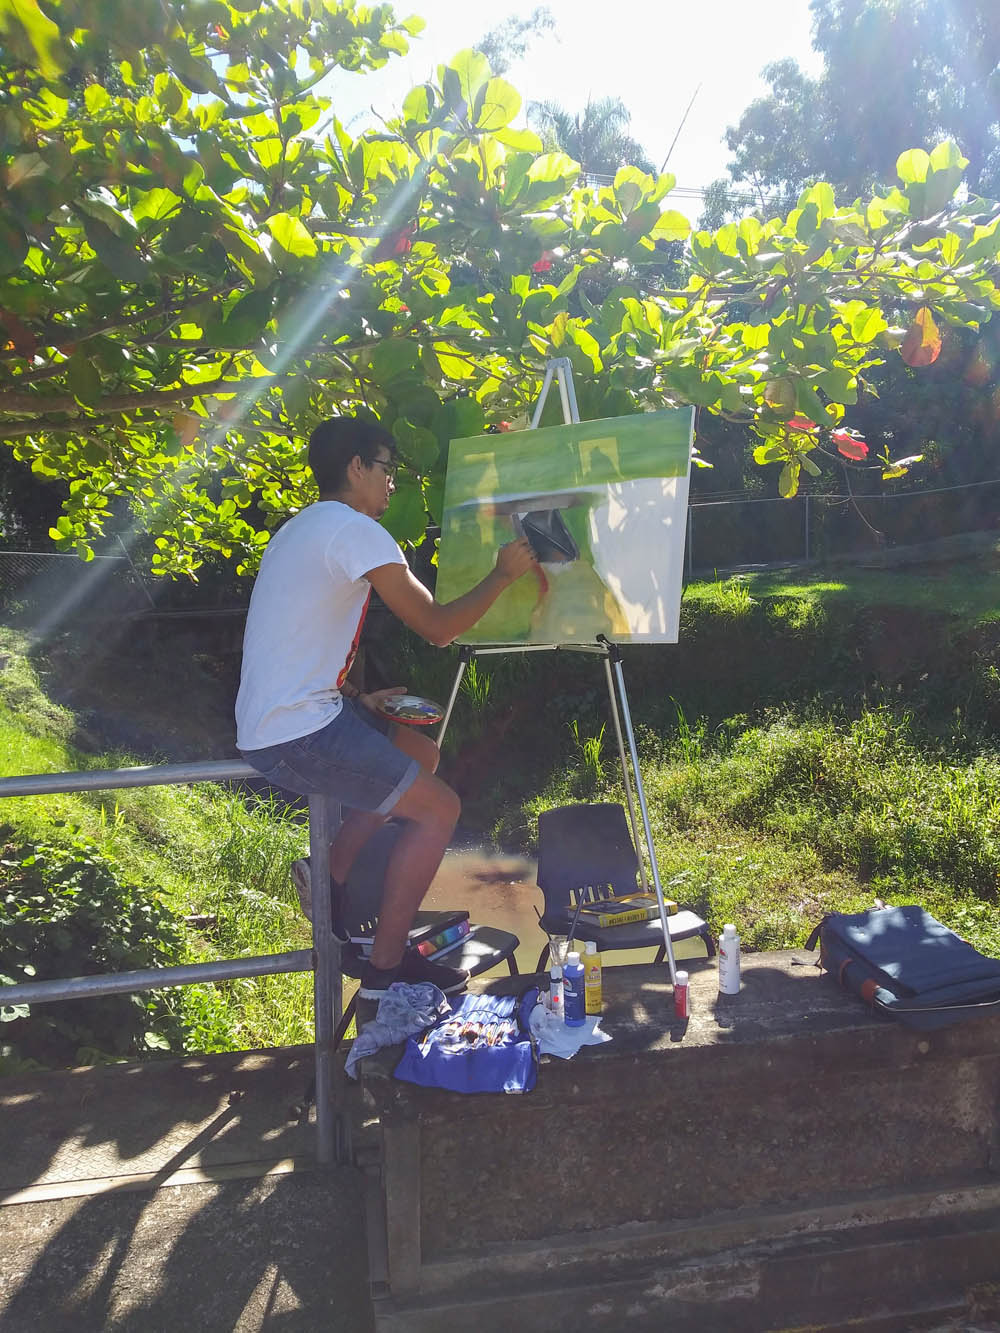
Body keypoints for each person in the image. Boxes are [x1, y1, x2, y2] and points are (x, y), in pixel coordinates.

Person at [235, 415, 536, 1000]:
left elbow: (288, 641)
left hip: (288, 715)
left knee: (419, 746)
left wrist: (356, 695)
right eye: (387, 469)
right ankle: (385, 970)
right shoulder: (356, 530)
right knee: (439, 810)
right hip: (296, 734)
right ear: (356, 468)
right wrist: (502, 575)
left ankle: (330, 876)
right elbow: (438, 627)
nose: (391, 483)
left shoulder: (302, 528)